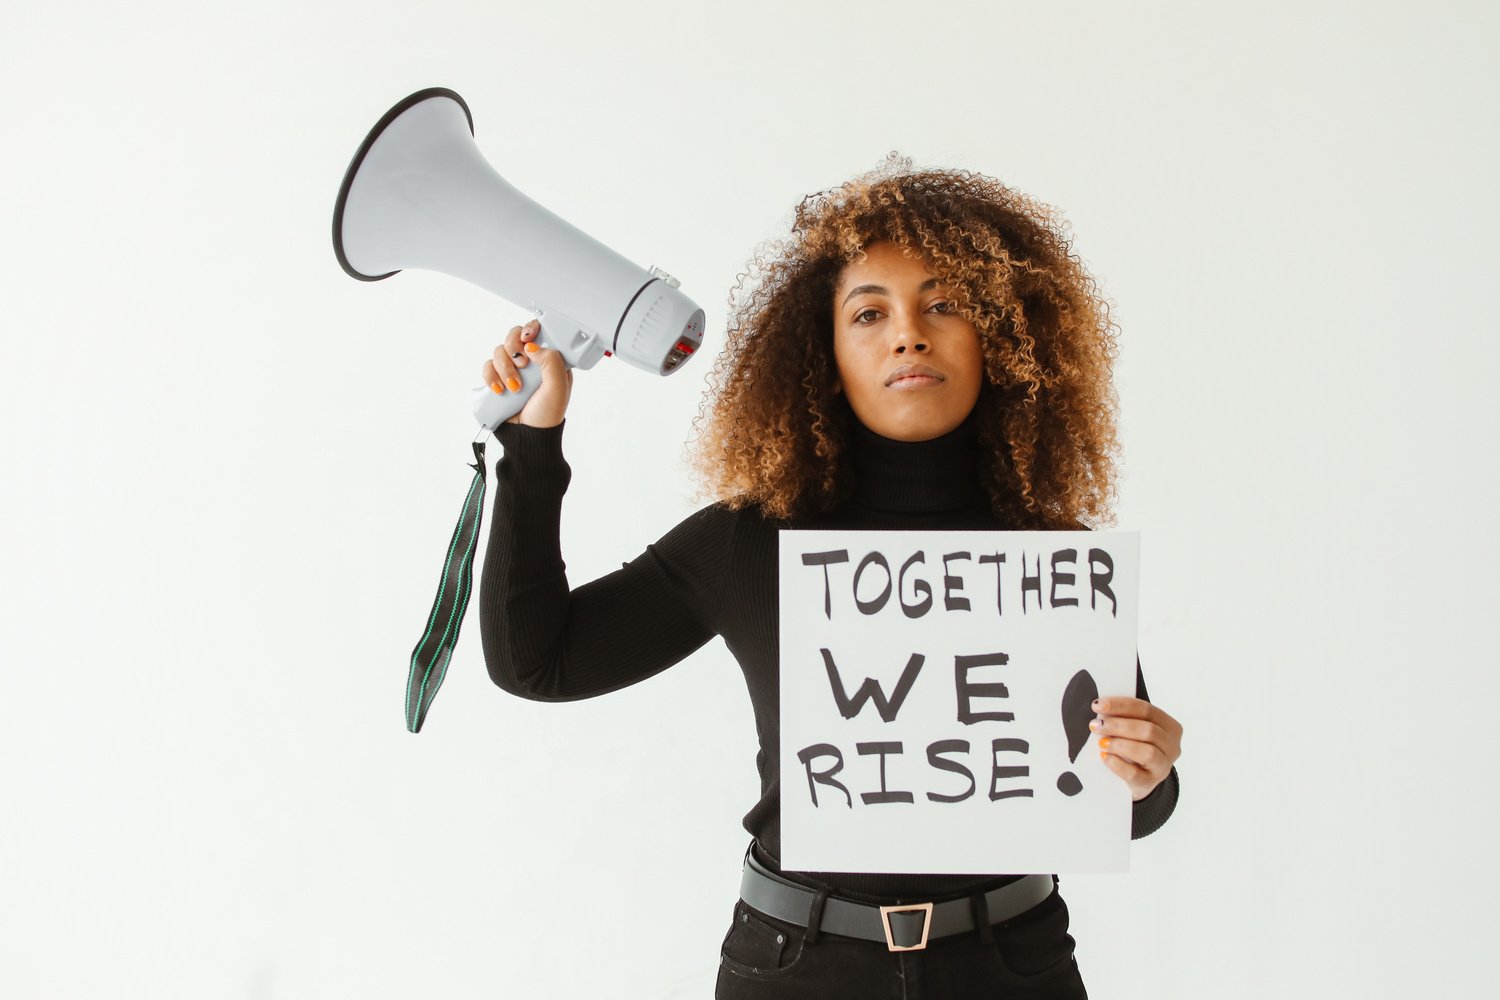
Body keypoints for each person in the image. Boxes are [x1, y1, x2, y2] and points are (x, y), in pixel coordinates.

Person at [476, 153, 1183, 999]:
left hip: (1010, 965)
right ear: (823, 356)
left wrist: (1152, 768)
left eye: (944, 304)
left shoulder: (1054, 562)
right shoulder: (745, 544)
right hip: (795, 970)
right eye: (869, 312)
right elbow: (537, 661)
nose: (908, 334)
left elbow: (1128, 806)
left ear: (1001, 332)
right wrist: (532, 440)